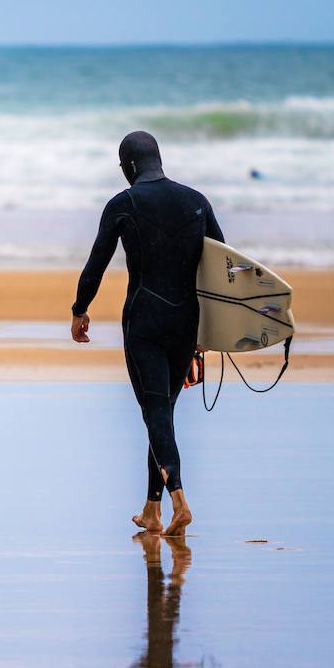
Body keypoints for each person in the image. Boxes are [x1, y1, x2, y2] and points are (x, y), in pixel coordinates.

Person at [70, 131, 224, 536]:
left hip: (144, 324)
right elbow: (222, 268)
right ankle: (152, 510)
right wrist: (210, 328)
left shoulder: (124, 204)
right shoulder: (196, 202)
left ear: (129, 166)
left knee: (155, 413)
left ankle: (179, 501)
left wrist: (80, 309)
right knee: (162, 414)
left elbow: (96, 263)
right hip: (186, 325)